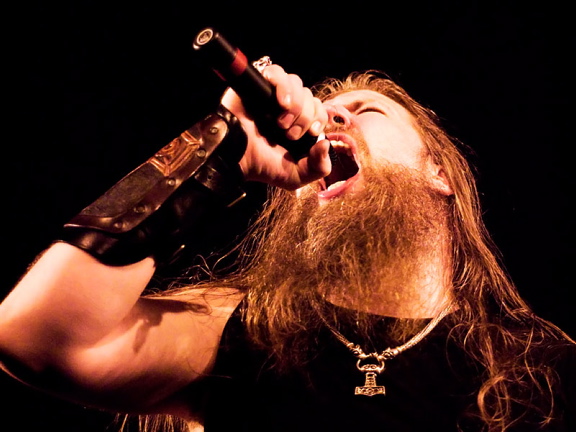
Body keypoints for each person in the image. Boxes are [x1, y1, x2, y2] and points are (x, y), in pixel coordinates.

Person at [0, 62, 574, 432]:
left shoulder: (541, 368)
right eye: (326, 111)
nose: (332, 116)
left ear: (439, 173)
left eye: (366, 111)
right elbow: (31, 338)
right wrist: (223, 146)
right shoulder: (242, 331)